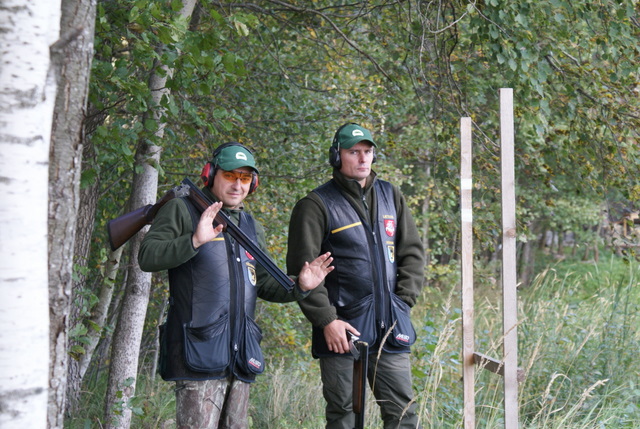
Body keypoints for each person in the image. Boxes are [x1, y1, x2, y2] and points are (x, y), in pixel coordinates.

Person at [138, 142, 334, 429]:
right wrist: (194, 240)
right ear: (210, 175)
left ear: (253, 183)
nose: (237, 185)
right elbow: (147, 256)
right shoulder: (183, 210)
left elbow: (263, 284)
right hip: (196, 352)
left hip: (240, 355)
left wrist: (300, 287)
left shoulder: (251, 227)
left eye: (244, 178)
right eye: (230, 176)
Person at [286, 123, 425, 428]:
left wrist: (403, 302)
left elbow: (412, 253)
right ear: (337, 156)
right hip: (342, 333)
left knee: (403, 416)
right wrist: (327, 320)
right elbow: (303, 273)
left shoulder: (391, 195)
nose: (363, 159)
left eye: (368, 151)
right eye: (354, 152)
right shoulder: (315, 205)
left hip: (391, 328)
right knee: (344, 417)